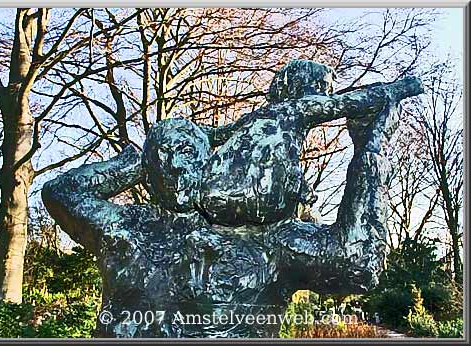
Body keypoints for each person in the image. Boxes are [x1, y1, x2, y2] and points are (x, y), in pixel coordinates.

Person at [42, 60, 423, 337]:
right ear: (151, 168)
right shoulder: (125, 226)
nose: (175, 164)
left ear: (209, 162)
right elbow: (61, 191)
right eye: (164, 155)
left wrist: (369, 154)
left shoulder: (271, 240)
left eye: (188, 152)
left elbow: (359, 263)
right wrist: (131, 164)